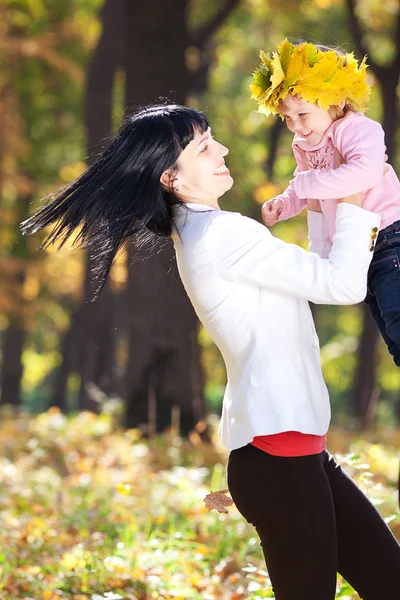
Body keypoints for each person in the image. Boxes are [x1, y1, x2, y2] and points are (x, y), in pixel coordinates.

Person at [21, 103, 400, 600]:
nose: (221, 150)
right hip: (279, 460)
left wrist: (325, 197)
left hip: (296, 454)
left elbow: (316, 273)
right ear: (171, 178)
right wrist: (352, 193)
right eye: (203, 147)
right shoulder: (222, 235)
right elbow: (343, 284)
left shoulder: (209, 233)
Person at [252, 40, 400, 367]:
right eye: (286, 118)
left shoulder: (358, 129)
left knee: (398, 321)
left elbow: (364, 172)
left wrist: (306, 183)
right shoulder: (305, 142)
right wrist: (286, 203)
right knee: (392, 335)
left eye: (302, 114)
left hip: (390, 238)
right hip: (359, 246)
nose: (296, 126)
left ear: (334, 99)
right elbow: (305, 186)